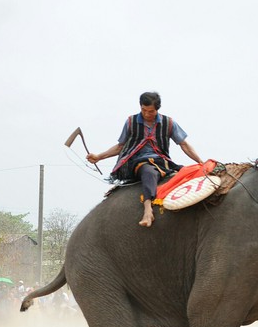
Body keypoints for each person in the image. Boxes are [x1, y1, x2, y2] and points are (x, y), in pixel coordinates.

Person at [87, 92, 203, 227]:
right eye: (144, 110)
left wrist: (200, 161)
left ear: (157, 109)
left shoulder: (168, 123)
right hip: (136, 161)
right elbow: (120, 146)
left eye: (151, 111)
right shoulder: (131, 122)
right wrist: (99, 157)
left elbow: (184, 144)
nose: (147, 114)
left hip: (161, 161)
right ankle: (148, 210)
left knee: (187, 171)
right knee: (149, 172)